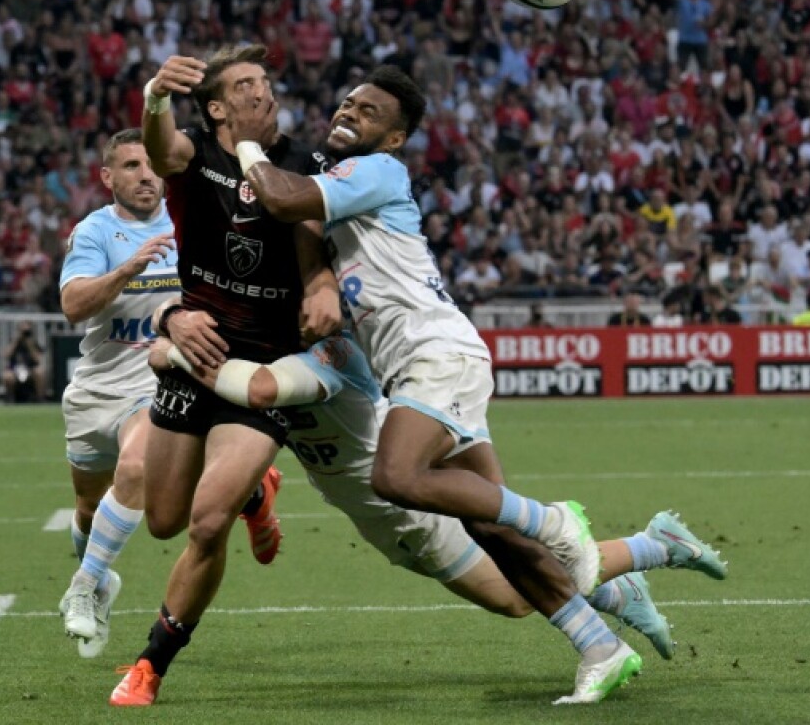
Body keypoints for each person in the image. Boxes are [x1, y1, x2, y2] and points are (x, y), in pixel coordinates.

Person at [222, 66, 727, 703]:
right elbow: (303, 225)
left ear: (396, 138)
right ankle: (607, 630)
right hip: (416, 362)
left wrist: (246, 143)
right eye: (347, 103)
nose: (349, 113)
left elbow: (281, 197)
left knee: (396, 477)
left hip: (435, 352)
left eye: (370, 111)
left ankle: (558, 523)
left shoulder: (378, 172)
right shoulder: (336, 188)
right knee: (491, 529)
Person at [149, 323, 730, 662]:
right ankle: (623, 588)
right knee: (520, 583)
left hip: (415, 511)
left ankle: (654, 546)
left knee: (518, 596)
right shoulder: (280, 349)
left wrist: (175, 347)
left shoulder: (333, 354)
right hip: (386, 520)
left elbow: (258, 390)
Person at [110, 45, 341, 706]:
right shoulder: (195, 159)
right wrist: (155, 96)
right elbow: (162, 150)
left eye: (266, 82)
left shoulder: (303, 166)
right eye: (245, 85)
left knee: (204, 525)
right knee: (162, 521)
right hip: (193, 360)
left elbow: (317, 242)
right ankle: (256, 496)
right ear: (215, 108)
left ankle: (151, 663)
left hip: (262, 369)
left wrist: (321, 285)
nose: (262, 93)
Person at [54, 130, 178, 659]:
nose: (145, 176)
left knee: (136, 469)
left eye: (152, 166)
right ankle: (102, 580)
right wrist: (127, 269)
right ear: (108, 177)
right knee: (86, 505)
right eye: (131, 165)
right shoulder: (95, 231)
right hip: (96, 386)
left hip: (154, 381)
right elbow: (73, 305)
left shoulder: (188, 223)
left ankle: (83, 588)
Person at [3, 321, 44, 401]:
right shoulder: (14, 341)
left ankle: (40, 398)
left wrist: (29, 344)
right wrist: (16, 341)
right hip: (15, 369)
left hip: (30, 369)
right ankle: (10, 399)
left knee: (40, 372)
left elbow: (37, 359)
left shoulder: (33, 342)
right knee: (7, 376)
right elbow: (6, 355)